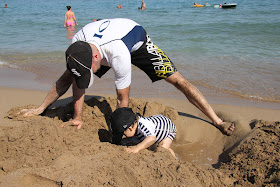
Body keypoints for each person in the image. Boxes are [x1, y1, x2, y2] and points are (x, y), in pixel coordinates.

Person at [20, 18, 234, 136]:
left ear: (96, 57)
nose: (89, 76)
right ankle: (43, 108)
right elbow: (73, 78)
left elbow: (122, 99)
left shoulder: (118, 53)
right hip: (103, 48)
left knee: (178, 81)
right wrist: (74, 116)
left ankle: (217, 120)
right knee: (71, 75)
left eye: (90, 70)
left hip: (136, 42)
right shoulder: (78, 44)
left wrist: (120, 131)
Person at [111, 107, 177, 158]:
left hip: (168, 129)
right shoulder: (135, 126)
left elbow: (152, 138)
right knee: (138, 141)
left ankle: (173, 159)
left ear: (130, 128)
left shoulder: (143, 126)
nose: (124, 135)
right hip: (156, 124)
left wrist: (137, 147)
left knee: (162, 148)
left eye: (124, 133)